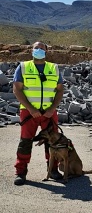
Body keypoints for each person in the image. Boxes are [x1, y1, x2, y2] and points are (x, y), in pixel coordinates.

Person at [13, 42, 65, 185]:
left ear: (46, 51)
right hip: (29, 113)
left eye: (42, 48)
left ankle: (53, 170)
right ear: (31, 50)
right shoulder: (23, 67)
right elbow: (17, 89)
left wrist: (52, 108)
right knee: (25, 142)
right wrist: (31, 108)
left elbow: (60, 90)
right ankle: (21, 172)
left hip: (49, 113)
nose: (39, 50)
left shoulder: (53, 68)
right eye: (36, 48)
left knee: (52, 142)